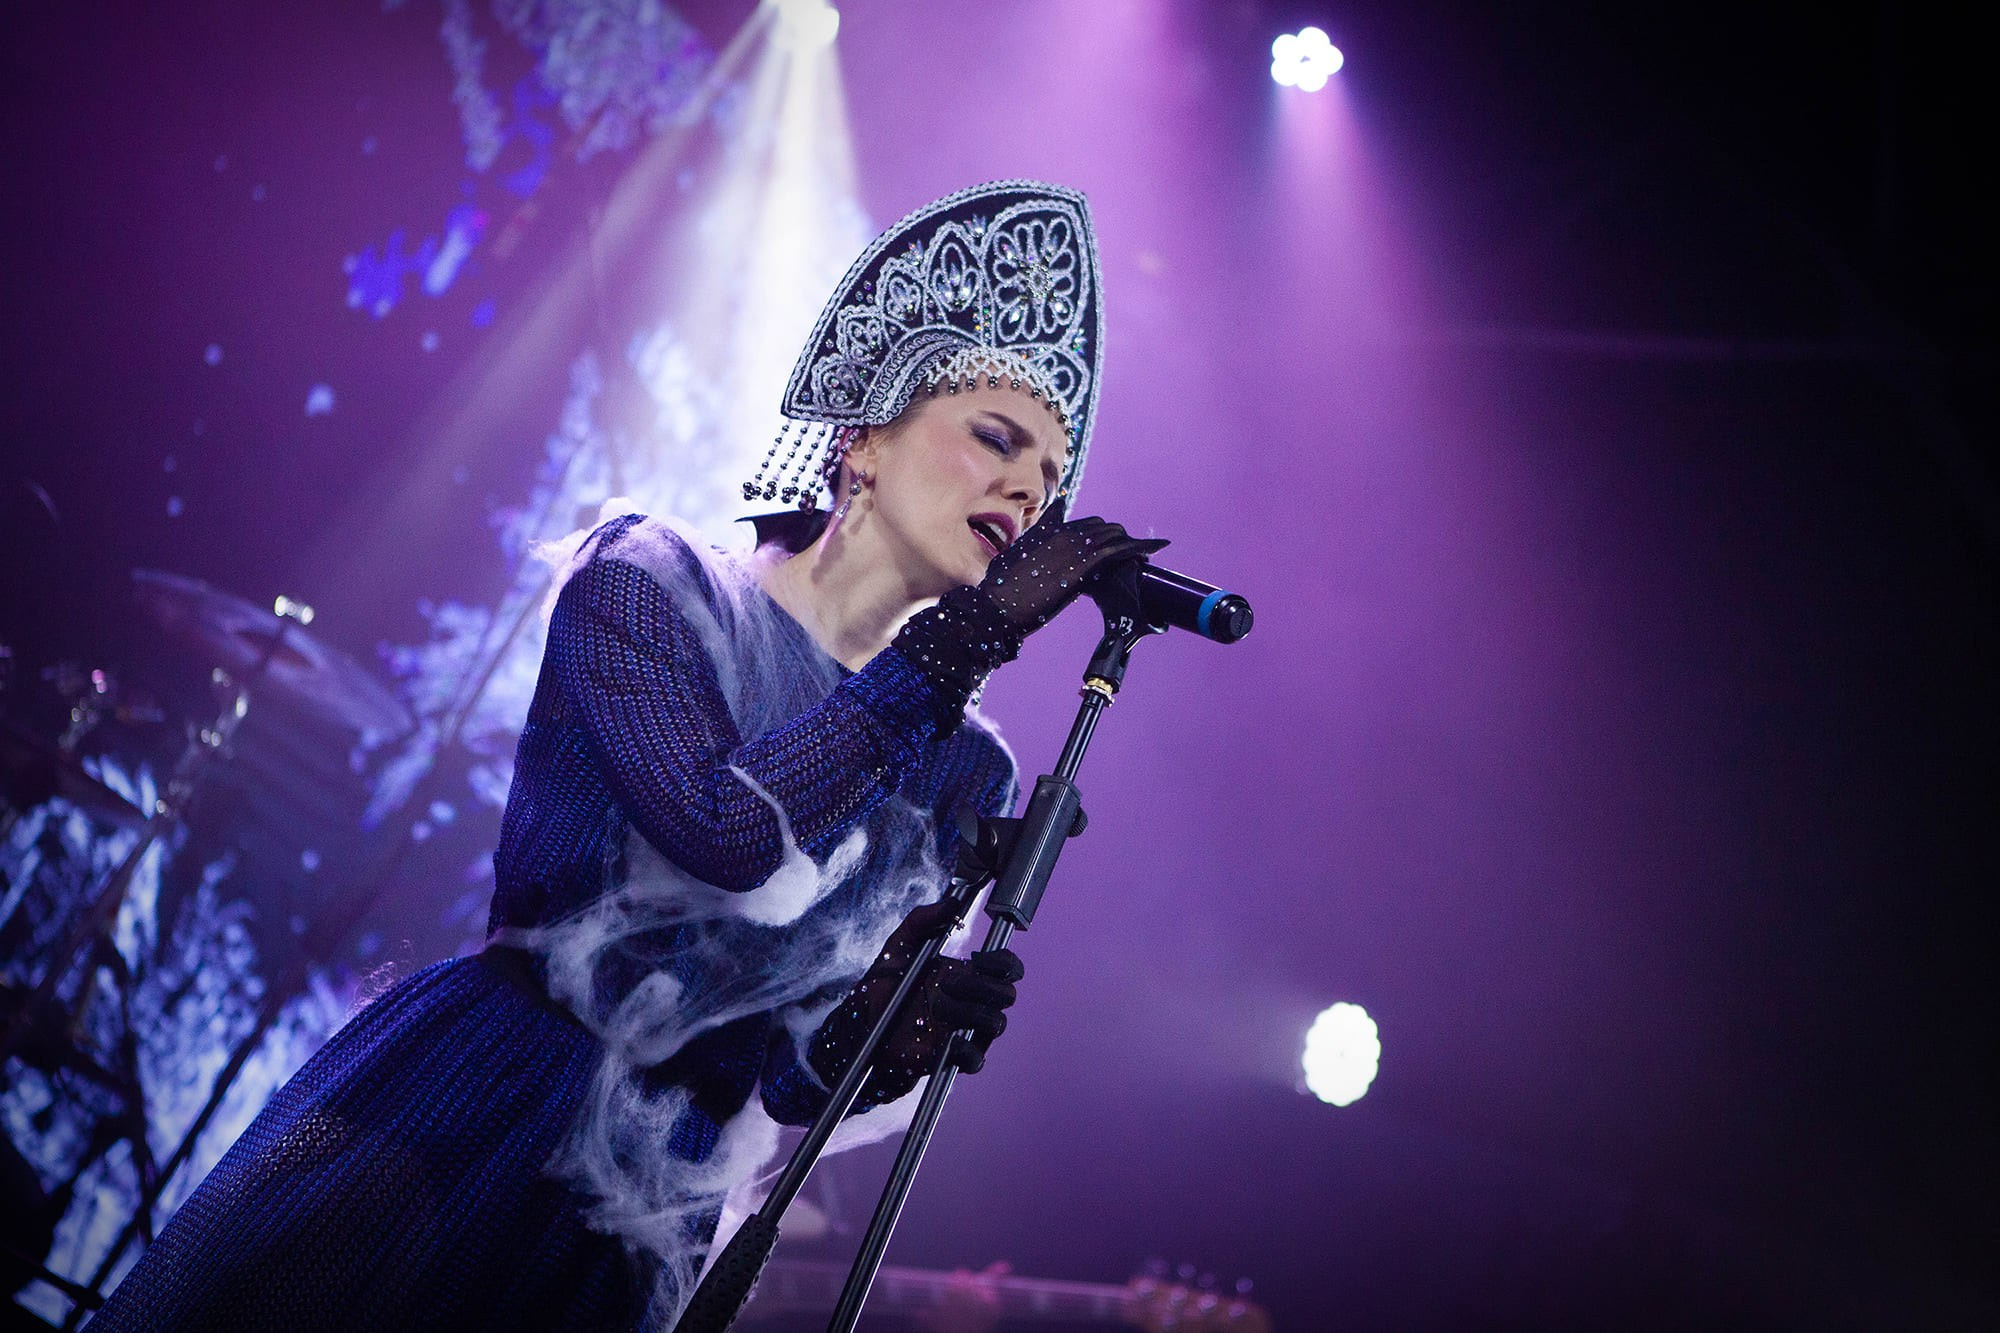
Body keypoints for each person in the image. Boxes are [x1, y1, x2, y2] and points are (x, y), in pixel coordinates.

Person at [88, 180, 1159, 1331]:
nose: (1025, 490)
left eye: (1048, 478)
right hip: (477, 1104)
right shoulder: (653, 582)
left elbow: (791, 1076)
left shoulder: (963, 769)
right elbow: (719, 831)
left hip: (652, 1205)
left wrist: (896, 1024)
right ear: (863, 433)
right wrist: (952, 649)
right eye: (995, 439)